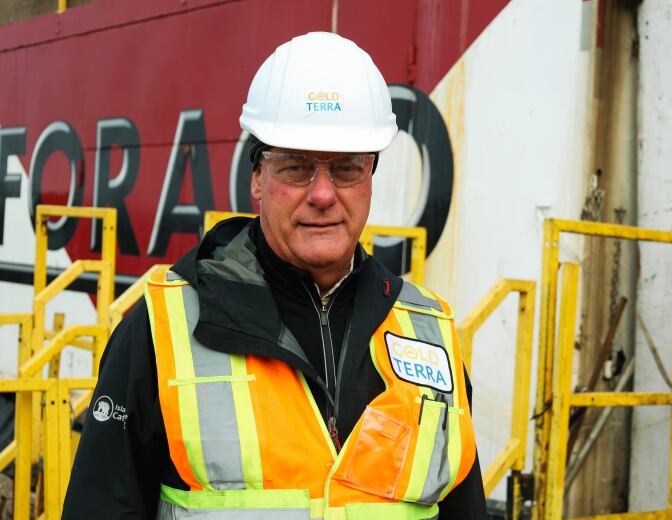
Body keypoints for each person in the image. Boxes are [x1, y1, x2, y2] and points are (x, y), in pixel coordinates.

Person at [62, 32, 487, 519]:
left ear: (371, 179)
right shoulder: (163, 329)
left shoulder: (429, 333)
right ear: (257, 180)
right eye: (296, 167)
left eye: (346, 168)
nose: (323, 194)